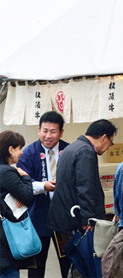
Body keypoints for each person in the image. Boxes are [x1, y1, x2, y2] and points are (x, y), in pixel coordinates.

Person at [17, 111, 71, 278]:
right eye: (44, 130)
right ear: (39, 130)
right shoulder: (29, 153)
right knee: (36, 266)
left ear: (61, 132)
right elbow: (21, 184)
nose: (48, 135)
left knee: (68, 262)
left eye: (53, 131)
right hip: (38, 217)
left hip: (64, 218)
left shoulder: (69, 150)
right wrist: (43, 186)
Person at [47, 119, 117, 238]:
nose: (108, 148)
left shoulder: (72, 147)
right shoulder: (86, 151)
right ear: (104, 138)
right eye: (110, 143)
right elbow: (85, 188)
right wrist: (88, 219)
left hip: (64, 217)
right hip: (76, 220)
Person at [0, 131, 34, 278]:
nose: (22, 152)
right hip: (5, 237)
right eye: (20, 148)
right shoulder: (6, 172)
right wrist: (25, 177)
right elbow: (27, 196)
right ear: (10, 149)